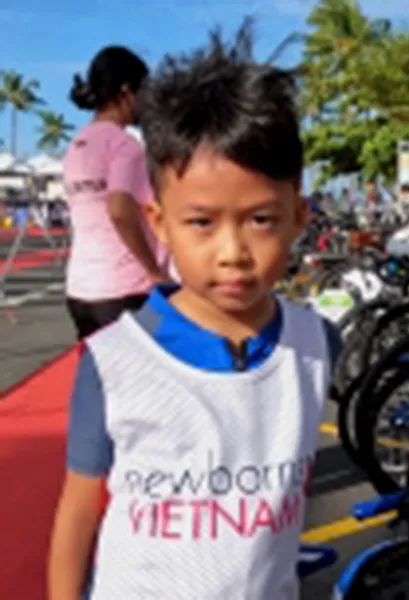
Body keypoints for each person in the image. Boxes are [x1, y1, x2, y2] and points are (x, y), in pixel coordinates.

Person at [48, 24, 342, 600]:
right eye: (202, 222)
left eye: (261, 219)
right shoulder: (113, 362)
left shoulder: (316, 344)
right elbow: (78, 512)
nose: (233, 253)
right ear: (160, 223)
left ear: (298, 217)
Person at [63, 46, 170, 339]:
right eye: (144, 92)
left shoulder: (76, 146)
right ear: (126, 92)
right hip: (124, 288)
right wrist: (155, 272)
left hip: (81, 289)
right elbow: (120, 210)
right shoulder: (124, 145)